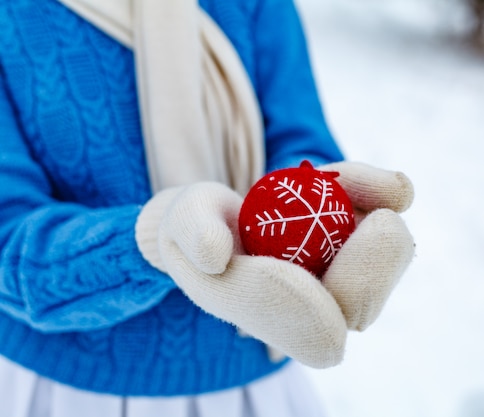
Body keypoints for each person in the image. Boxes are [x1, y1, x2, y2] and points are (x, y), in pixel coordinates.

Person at [0, 0, 415, 416]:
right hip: (64, 392)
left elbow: (299, 137)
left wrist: (311, 202)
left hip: (250, 379)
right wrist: (152, 237)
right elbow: (8, 237)